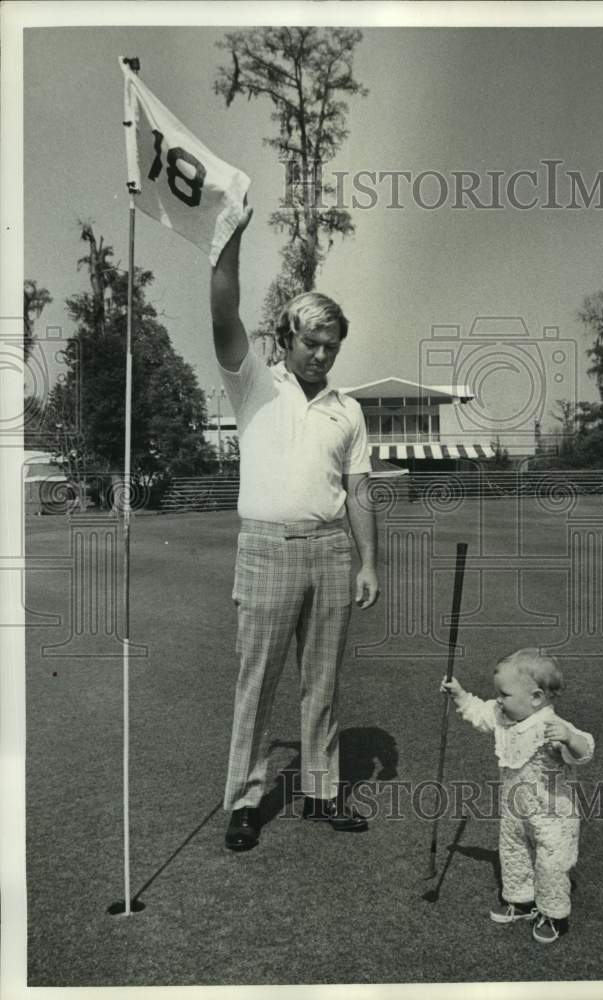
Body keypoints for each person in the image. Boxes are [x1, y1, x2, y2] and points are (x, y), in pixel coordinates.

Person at [211, 205, 380, 850]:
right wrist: (229, 239)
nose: (321, 355)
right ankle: (245, 800)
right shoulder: (253, 384)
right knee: (257, 681)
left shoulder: (349, 410)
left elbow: (359, 488)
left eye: (332, 346)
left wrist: (369, 562)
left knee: (324, 682)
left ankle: (319, 793)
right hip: (266, 548)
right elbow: (223, 315)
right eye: (311, 343)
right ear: (286, 340)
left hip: (333, 551)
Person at [440, 649, 594, 944]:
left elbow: (584, 750)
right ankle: (521, 900)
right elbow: (479, 712)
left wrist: (570, 739)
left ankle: (553, 914)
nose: (497, 699)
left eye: (505, 694)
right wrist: (458, 693)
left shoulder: (553, 727)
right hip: (514, 810)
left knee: (551, 863)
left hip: (552, 816)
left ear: (536, 698)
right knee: (513, 852)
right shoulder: (503, 716)